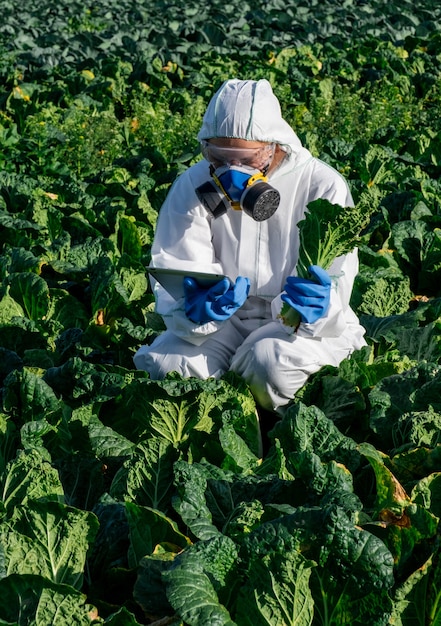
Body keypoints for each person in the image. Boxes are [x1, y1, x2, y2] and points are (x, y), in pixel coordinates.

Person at [133, 78, 367, 413]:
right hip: (222, 325)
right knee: (167, 366)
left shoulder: (321, 185)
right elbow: (176, 264)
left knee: (269, 365)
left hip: (293, 327)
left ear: (274, 146)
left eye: (245, 159)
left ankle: (278, 431)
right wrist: (195, 308)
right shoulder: (194, 185)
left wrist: (321, 306)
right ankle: (219, 430)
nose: (230, 172)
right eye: (217, 156)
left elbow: (337, 281)